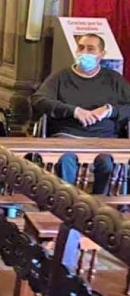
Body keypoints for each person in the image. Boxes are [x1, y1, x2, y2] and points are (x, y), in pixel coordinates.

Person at [31, 33, 130, 194]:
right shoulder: (61, 77)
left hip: (103, 139)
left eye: (91, 49)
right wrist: (74, 111)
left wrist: (109, 110)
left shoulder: (114, 79)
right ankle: (66, 202)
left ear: (102, 54)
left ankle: (99, 205)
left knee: (107, 163)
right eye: (81, 47)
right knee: (66, 160)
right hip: (68, 136)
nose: (85, 52)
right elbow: (39, 99)